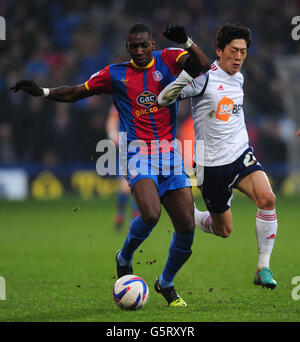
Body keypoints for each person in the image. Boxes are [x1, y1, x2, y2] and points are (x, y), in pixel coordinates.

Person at [11, 23, 210, 306]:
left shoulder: (169, 58)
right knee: (151, 214)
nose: (139, 50)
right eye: (133, 46)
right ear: (127, 47)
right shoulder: (114, 74)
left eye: (144, 45)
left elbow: (203, 64)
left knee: (187, 227)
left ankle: (165, 283)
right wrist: (42, 92)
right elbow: (77, 92)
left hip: (170, 154)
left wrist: (188, 41)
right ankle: (125, 256)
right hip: (137, 154)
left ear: (152, 44)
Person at [158, 23, 278, 289]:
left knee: (267, 198)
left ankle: (263, 268)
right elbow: (163, 99)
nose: (238, 57)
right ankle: (194, 214)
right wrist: (184, 79)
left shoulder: (239, 77)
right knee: (224, 230)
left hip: (240, 155)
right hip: (210, 165)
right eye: (233, 51)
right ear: (219, 51)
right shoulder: (203, 79)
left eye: (243, 52)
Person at [105, 104, 139, 231]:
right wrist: (113, 135)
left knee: (138, 185)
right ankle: (121, 214)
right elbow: (112, 120)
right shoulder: (121, 100)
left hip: (142, 147)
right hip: (126, 149)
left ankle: (134, 220)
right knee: (125, 187)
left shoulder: (144, 99)